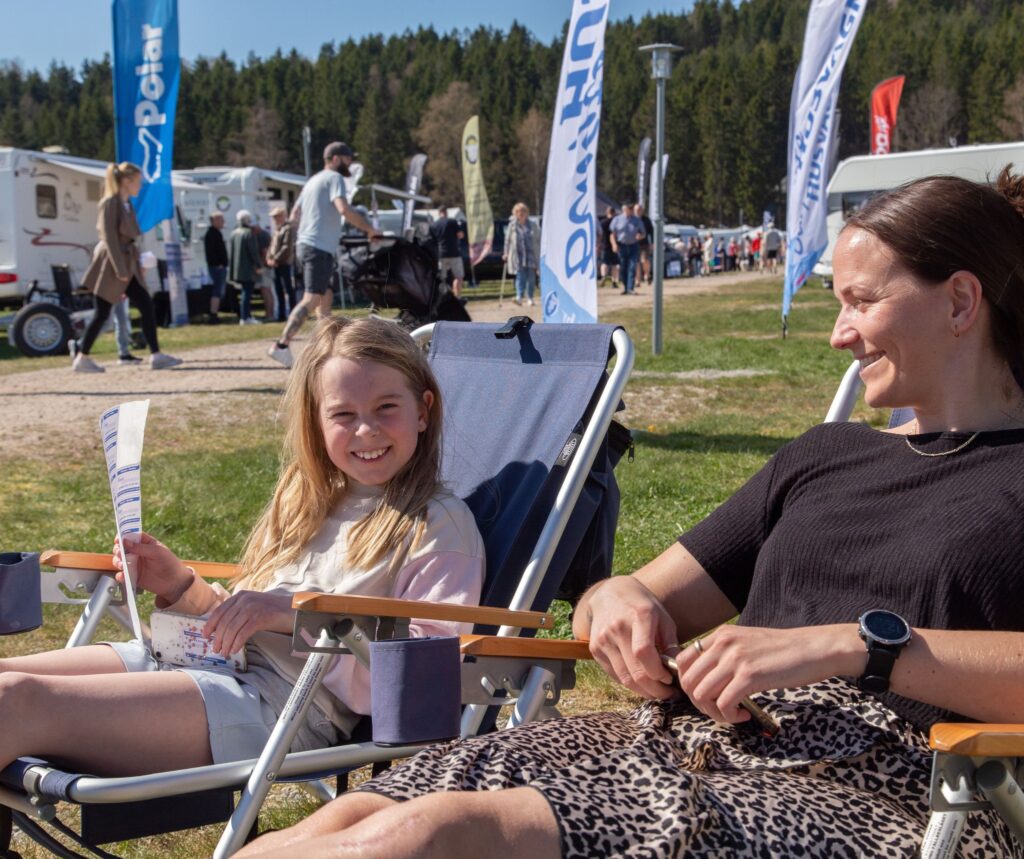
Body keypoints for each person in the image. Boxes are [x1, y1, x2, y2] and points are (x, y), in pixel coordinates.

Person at [237, 169, 1024, 859]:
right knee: (357, 814)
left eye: (861, 301)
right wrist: (616, 601)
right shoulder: (826, 455)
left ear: (960, 300)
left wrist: (852, 646)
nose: (838, 332)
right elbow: (634, 594)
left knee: (433, 834)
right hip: (692, 741)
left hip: (888, 785)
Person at [0, 316, 485, 779]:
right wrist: (180, 585)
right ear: (315, 422)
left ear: (423, 410)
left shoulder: (437, 526)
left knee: (14, 702)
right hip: (203, 659)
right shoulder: (308, 499)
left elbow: (424, 678)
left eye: (386, 408)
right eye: (343, 414)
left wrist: (295, 615)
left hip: (282, 704)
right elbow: (241, 619)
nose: (366, 430)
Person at [268, 142, 381, 369]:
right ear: (336, 158)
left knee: (325, 298)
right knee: (311, 298)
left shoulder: (312, 181)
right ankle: (281, 346)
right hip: (318, 247)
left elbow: (295, 214)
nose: (350, 163)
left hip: (309, 245)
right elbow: (343, 209)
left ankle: (324, 350)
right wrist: (369, 230)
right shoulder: (334, 179)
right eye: (348, 159)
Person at [70, 162, 181, 372]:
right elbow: (110, 238)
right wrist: (120, 269)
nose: (140, 185)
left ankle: (156, 355)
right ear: (127, 181)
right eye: (138, 181)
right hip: (112, 265)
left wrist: (136, 264)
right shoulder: (110, 203)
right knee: (102, 313)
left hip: (127, 263)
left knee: (145, 306)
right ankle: (82, 357)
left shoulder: (126, 203)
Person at [502, 202, 540, 307]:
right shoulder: (512, 225)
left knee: (531, 277)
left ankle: (530, 298)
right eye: (518, 211)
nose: (521, 213)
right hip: (518, 256)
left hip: (531, 255)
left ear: (527, 213)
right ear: (515, 213)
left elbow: (538, 239)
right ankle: (519, 297)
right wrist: (505, 253)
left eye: (523, 211)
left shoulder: (533, 225)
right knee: (520, 277)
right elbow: (507, 241)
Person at [229, 209, 263, 325]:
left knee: (244, 292)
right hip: (248, 269)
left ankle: (245, 316)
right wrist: (258, 265)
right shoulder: (248, 233)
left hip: (237, 269)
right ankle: (245, 317)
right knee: (247, 293)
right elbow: (253, 252)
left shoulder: (234, 233)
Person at [429, 204, 465, 299]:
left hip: (441, 254)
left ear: (439, 213)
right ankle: (457, 297)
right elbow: (460, 235)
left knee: (442, 279)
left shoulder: (433, 225)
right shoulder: (452, 222)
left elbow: (433, 241)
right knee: (458, 277)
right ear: (446, 212)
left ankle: (442, 298)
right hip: (454, 253)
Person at [267, 205, 296, 322]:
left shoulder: (287, 229)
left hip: (284, 264)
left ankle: (293, 314)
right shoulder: (277, 229)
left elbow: (286, 247)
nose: (274, 219)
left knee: (288, 289)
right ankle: (281, 314)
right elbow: (271, 247)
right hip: (276, 264)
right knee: (278, 290)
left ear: (282, 216)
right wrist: (268, 258)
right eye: (274, 217)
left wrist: (276, 259)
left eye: (276, 216)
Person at [609, 203, 645, 295]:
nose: (632, 210)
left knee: (632, 267)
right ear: (624, 209)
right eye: (630, 208)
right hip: (622, 246)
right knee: (623, 267)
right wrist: (614, 244)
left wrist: (640, 236)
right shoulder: (617, 220)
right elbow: (612, 234)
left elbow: (643, 233)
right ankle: (625, 287)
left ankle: (630, 288)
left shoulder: (637, 220)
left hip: (633, 246)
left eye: (632, 208)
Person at [204, 212, 229, 324]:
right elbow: (211, 252)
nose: (223, 222)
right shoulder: (211, 234)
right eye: (221, 220)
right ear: (214, 221)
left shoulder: (217, 233)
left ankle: (214, 312)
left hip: (219, 266)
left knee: (219, 291)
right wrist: (218, 264)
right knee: (217, 290)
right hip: (217, 267)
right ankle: (213, 314)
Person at [598, 206, 619, 288]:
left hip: (605, 245)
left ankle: (604, 277)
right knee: (615, 264)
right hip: (615, 246)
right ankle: (614, 281)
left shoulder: (602, 222)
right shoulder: (616, 222)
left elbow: (599, 234)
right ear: (614, 213)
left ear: (607, 213)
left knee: (604, 263)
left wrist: (599, 244)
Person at [635, 203, 654, 286]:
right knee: (636, 262)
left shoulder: (646, 220)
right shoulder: (632, 219)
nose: (638, 211)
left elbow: (651, 232)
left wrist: (653, 243)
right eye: (636, 210)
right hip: (634, 244)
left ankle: (647, 274)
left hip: (644, 244)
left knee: (644, 260)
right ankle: (637, 280)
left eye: (639, 210)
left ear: (642, 210)